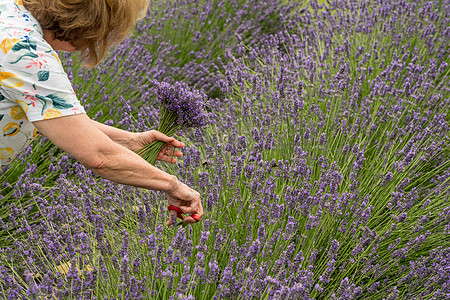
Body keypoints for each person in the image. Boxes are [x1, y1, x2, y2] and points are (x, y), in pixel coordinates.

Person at [0, 0, 203, 225]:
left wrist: (129, 141)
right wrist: (172, 185)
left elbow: (59, 118)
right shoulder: (26, 54)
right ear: (88, 23)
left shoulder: (11, 12)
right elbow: (100, 157)